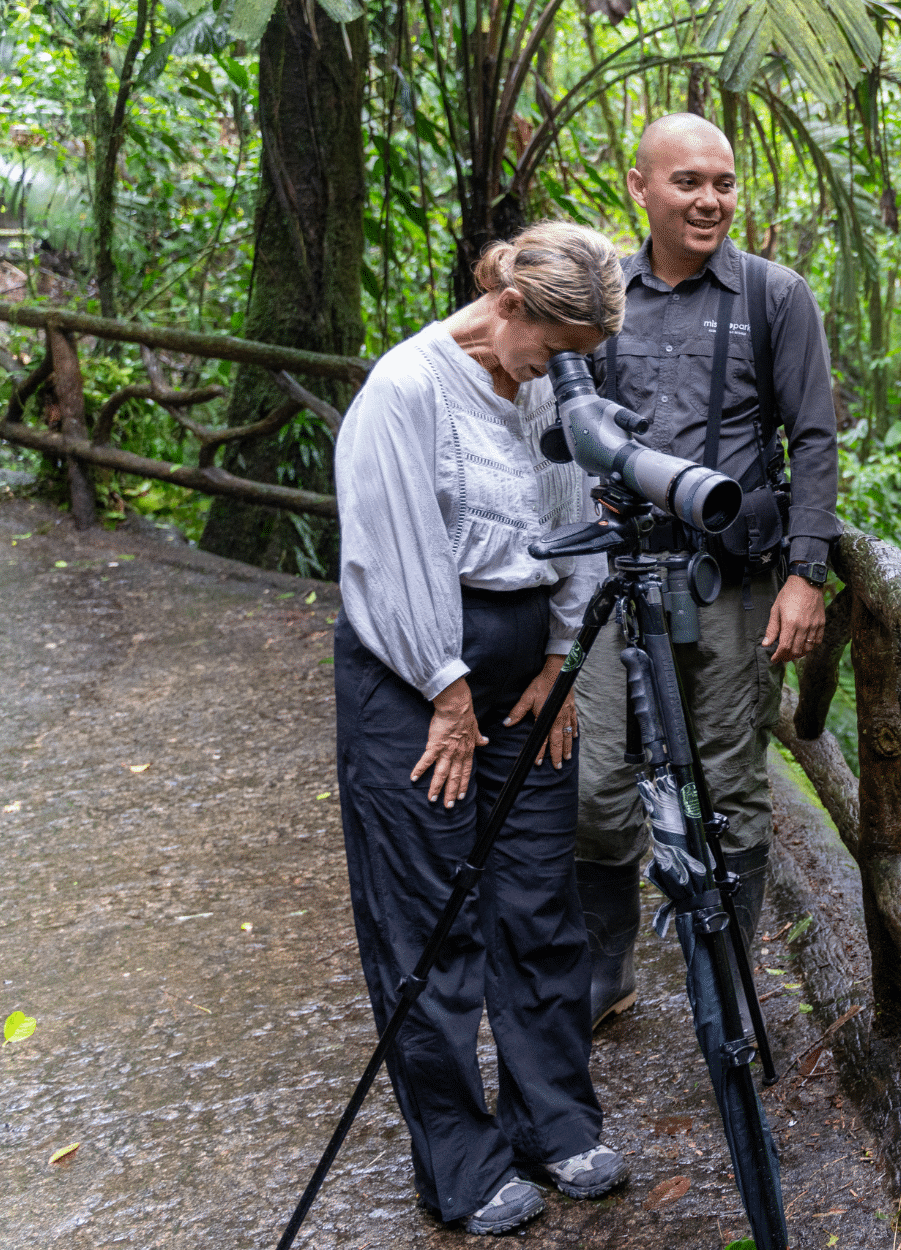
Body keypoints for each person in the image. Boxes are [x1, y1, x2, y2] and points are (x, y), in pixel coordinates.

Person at [333, 221, 631, 1235]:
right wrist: (447, 691)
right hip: (416, 674)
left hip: (528, 667)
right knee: (429, 922)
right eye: (553, 348)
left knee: (540, 902)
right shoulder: (406, 388)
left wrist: (559, 661)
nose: (559, 371)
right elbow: (392, 548)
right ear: (507, 306)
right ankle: (458, 1158)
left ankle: (554, 1119)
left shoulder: (545, 383)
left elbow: (570, 513)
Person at [574, 113, 839, 1030]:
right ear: (641, 187)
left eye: (724, 183)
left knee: (731, 786)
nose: (711, 200)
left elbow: (813, 438)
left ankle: (724, 991)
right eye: (688, 181)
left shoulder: (774, 296)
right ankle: (605, 969)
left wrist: (807, 573)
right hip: (619, 584)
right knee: (597, 784)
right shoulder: (602, 296)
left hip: (732, 584)